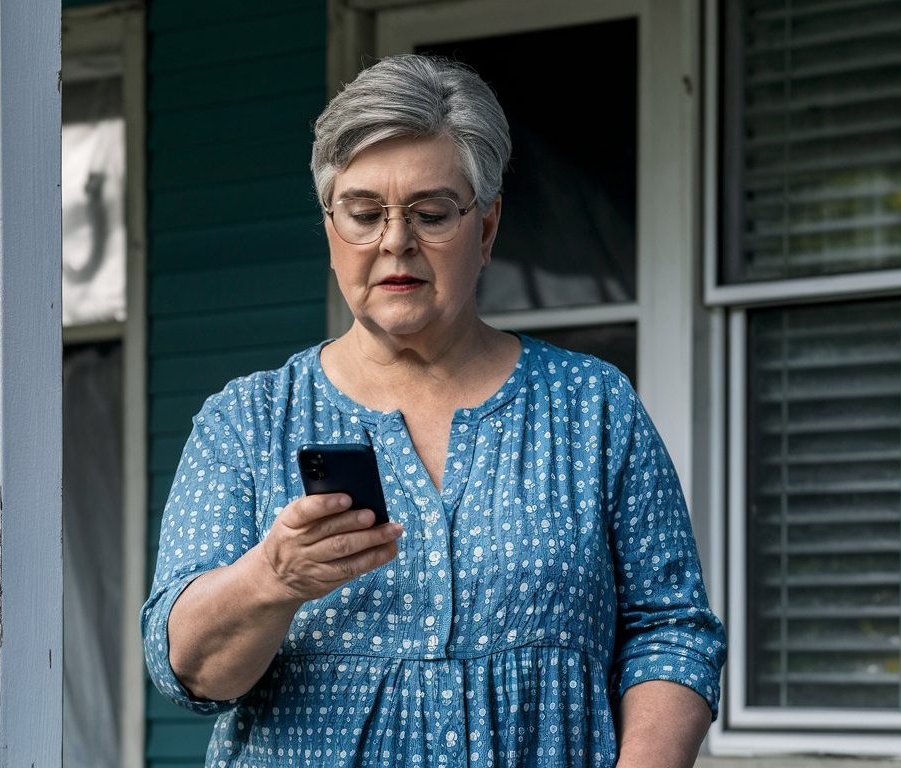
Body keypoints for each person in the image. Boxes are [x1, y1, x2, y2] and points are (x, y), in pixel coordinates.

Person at [141, 53, 726, 768]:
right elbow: (190, 672)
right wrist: (274, 577)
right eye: (363, 214)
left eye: (431, 213)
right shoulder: (248, 420)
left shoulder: (592, 408)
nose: (395, 242)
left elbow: (671, 630)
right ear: (331, 231)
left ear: (485, 228)